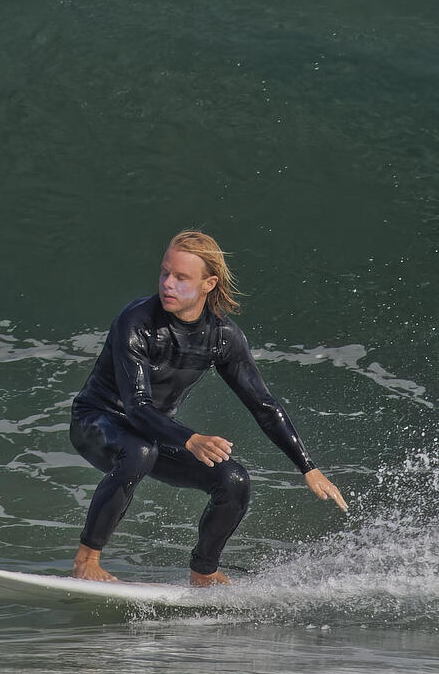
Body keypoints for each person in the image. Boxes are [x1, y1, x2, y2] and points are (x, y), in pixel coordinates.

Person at [69, 229, 348, 586]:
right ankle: (86, 560)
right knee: (138, 451)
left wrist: (308, 467)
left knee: (233, 480)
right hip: (98, 421)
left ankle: (203, 571)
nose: (167, 284)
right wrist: (190, 438)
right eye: (164, 273)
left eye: (181, 277)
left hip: (155, 433)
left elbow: (263, 404)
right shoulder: (136, 322)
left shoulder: (222, 337)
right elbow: (137, 407)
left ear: (208, 284)